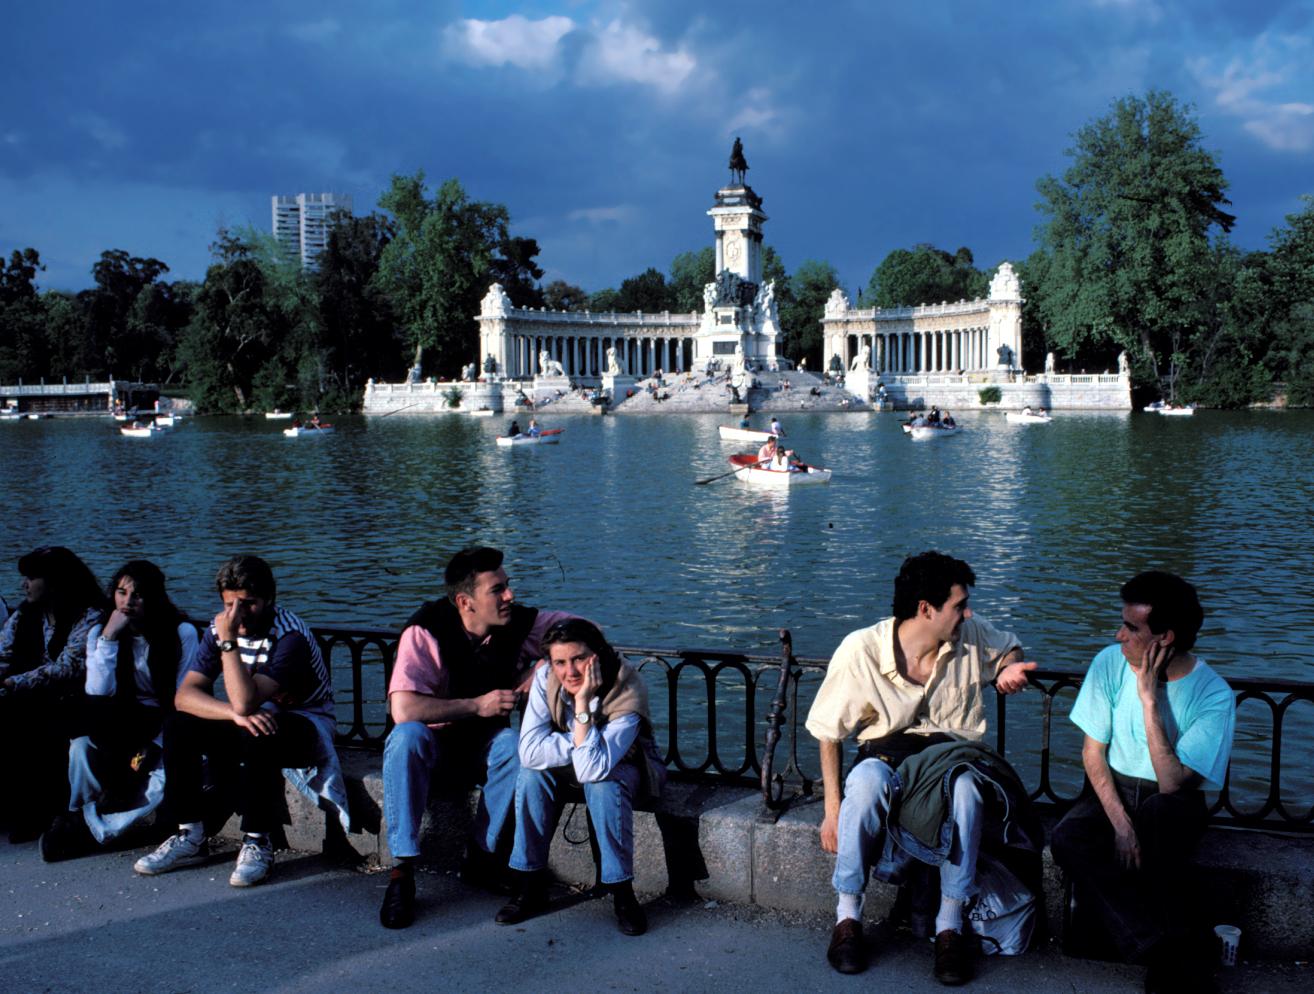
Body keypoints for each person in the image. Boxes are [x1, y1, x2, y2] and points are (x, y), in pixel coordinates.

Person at [806, 551, 1039, 983]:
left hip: (951, 761)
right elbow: (828, 731)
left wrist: (1008, 668)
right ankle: (847, 917)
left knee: (967, 790)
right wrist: (832, 810)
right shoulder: (862, 649)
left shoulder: (969, 634)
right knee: (864, 781)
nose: (967, 612)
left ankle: (949, 925)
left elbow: (1009, 646)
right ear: (925, 609)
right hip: (887, 756)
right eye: (958, 604)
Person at [1051, 572, 1235, 994]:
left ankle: (1166, 952)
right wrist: (1119, 824)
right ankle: (1162, 949)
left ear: (1164, 638)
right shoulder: (1108, 663)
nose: (1119, 636)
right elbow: (1091, 753)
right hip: (1112, 788)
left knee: (1159, 816)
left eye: (1131, 629)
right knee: (1067, 837)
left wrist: (1150, 699)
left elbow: (1173, 783)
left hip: (1172, 800)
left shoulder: (1214, 694)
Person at [378, 547, 574, 930]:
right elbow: (403, 709)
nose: (509, 596)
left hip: (482, 745)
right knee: (406, 738)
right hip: (431, 748)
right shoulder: (426, 629)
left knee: (515, 747)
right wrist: (476, 705)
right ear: (465, 601)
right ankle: (401, 873)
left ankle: (481, 859)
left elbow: (584, 632)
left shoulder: (517, 623)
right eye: (497, 590)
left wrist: (547, 665)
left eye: (508, 585)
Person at [132, 555, 348, 887]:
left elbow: (246, 701)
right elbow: (185, 696)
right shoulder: (220, 628)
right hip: (249, 715)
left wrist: (229, 644)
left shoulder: (290, 638)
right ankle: (189, 833)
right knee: (179, 724)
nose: (237, 614)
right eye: (230, 604)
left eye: (248, 604)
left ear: (269, 601)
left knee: (261, 730)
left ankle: (258, 840)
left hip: (306, 723)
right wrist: (231, 713)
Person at [495, 619, 664, 935]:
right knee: (532, 776)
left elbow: (594, 769)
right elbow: (530, 752)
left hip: (627, 768)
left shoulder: (625, 685)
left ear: (596, 655)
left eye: (578, 659)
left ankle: (621, 891)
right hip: (580, 761)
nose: (570, 671)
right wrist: (583, 739)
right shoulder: (546, 676)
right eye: (560, 661)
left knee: (602, 785)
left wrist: (583, 703)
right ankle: (529, 884)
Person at [40, 560, 198, 861]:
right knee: (80, 749)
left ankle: (87, 831)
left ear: (155, 598)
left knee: (161, 779)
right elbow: (98, 694)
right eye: (121, 592)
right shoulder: (101, 633)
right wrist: (109, 638)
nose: (127, 602)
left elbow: (185, 698)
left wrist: (154, 744)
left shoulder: (182, 633)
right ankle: (80, 816)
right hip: (118, 721)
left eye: (137, 595)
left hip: (164, 723)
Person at [0, 547, 106, 842]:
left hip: (74, 702)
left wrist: (11, 684)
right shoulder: (25, 614)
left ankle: (39, 812)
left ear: (55, 582)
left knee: (25, 720)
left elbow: (68, 668)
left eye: (32, 578)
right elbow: (2, 653)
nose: (25, 585)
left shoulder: (89, 617)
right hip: (30, 696)